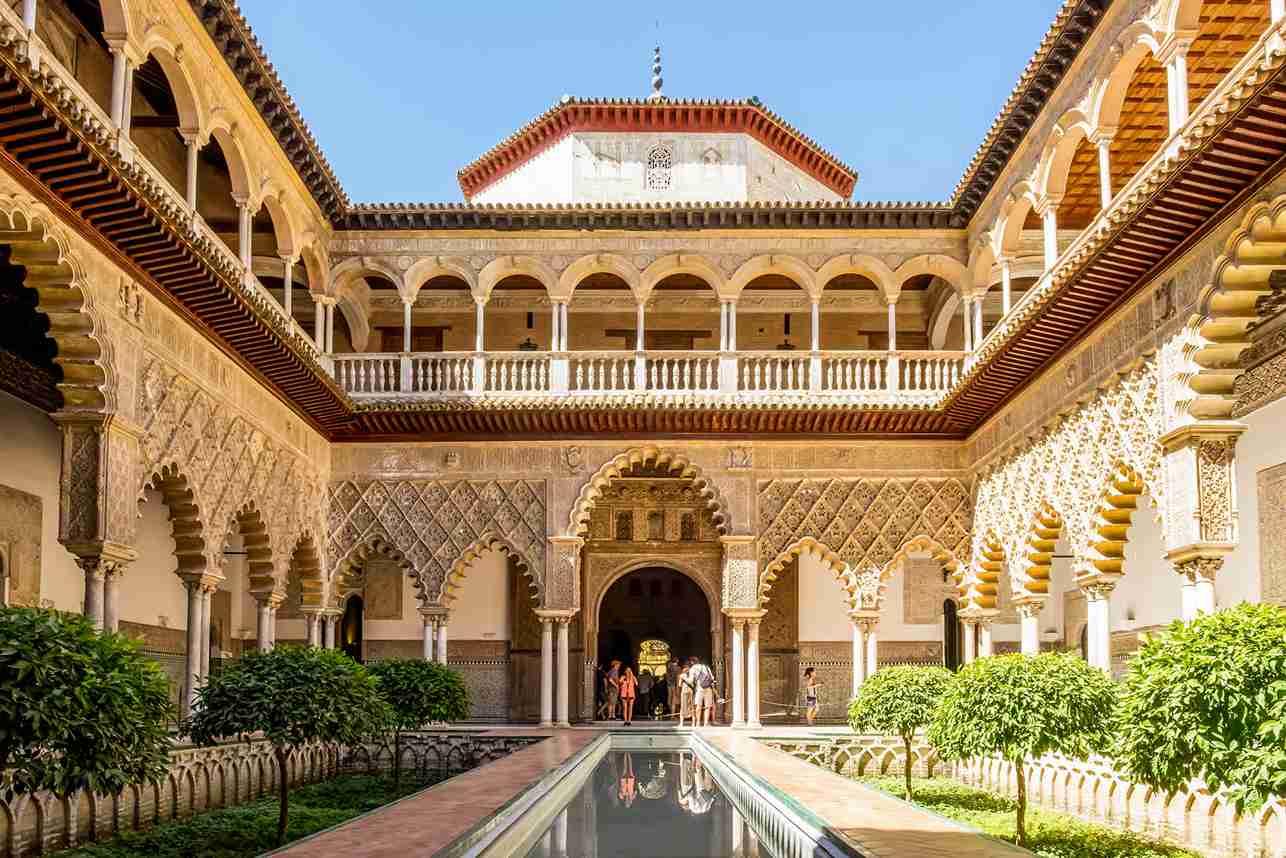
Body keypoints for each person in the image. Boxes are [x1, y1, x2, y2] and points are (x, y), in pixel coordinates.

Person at [687, 656, 716, 728]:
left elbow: (690, 681)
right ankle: (706, 723)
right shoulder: (706, 667)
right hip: (708, 688)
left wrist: (684, 678)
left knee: (698, 706)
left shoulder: (693, 668)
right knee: (707, 706)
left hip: (699, 688)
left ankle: (698, 723)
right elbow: (712, 678)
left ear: (692, 662)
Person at [676, 660, 693, 728]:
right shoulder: (692, 674)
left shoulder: (681, 675)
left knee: (683, 707)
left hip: (684, 691)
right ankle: (694, 723)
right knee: (692, 706)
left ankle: (681, 723)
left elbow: (679, 685)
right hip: (692, 691)